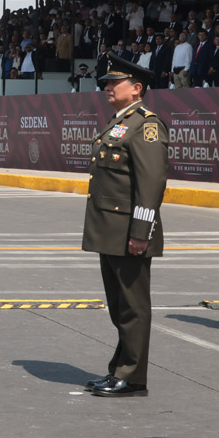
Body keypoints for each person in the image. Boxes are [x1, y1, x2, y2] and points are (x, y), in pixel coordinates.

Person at [81, 56, 168, 398]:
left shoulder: (146, 125)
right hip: (110, 230)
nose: (106, 88)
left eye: (113, 83)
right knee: (119, 305)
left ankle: (132, 376)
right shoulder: (121, 122)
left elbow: (150, 185)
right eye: (106, 83)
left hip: (128, 232)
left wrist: (139, 233)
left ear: (136, 89)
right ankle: (120, 367)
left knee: (132, 306)